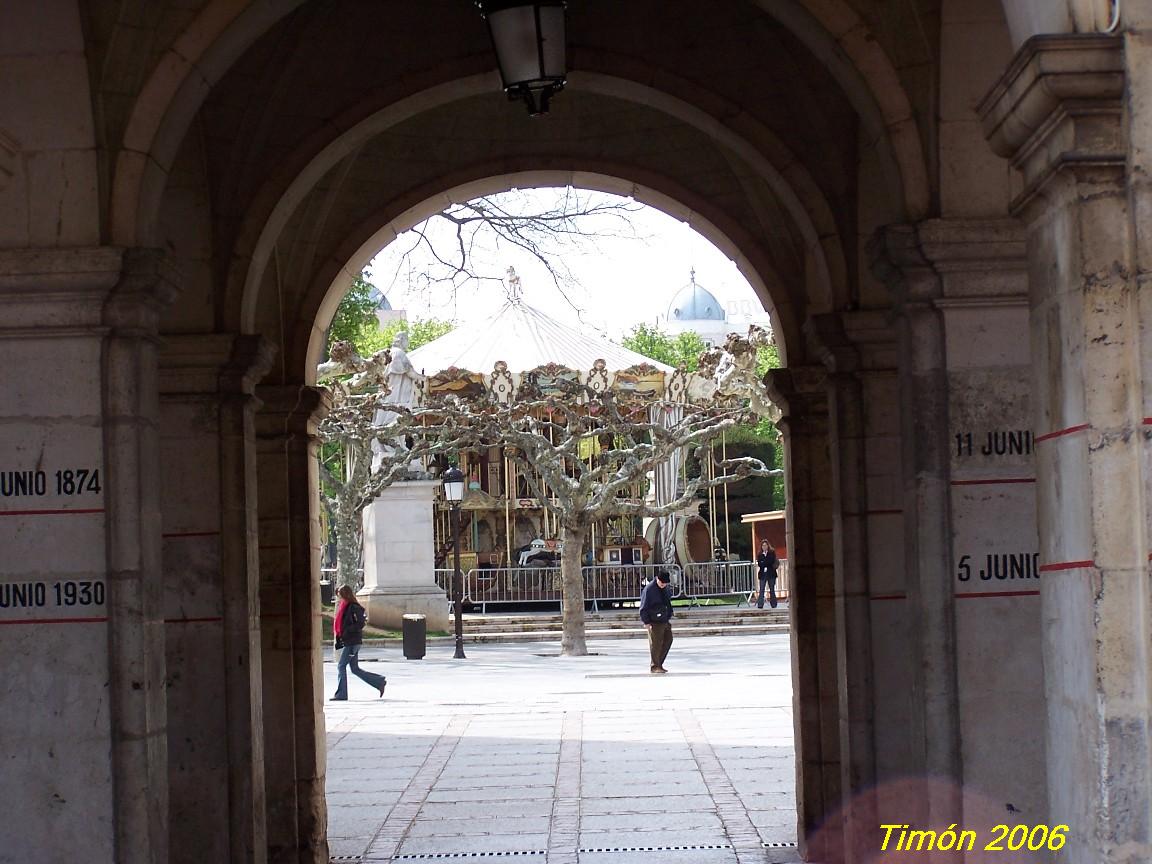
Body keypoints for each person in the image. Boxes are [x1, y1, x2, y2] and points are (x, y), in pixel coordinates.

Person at [331, 585, 387, 701]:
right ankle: (379, 682)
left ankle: (341, 694)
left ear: (345, 595)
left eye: (340, 595)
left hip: (352, 643)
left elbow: (360, 623)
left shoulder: (353, 607)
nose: (339, 598)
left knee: (341, 666)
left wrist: (347, 631)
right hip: (349, 641)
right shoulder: (345, 607)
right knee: (355, 669)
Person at [639, 570, 675, 673]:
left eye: (665, 583)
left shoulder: (665, 588)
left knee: (668, 639)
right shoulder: (649, 590)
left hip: (664, 618)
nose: (663, 585)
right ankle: (655, 666)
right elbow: (643, 607)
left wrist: (670, 613)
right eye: (662, 583)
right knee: (656, 643)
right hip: (654, 620)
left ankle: (659, 663)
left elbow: (668, 600)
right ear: (657, 579)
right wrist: (646, 622)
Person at [756, 540, 779, 608]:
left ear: (768, 546)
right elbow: (760, 564)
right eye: (763, 545)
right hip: (763, 574)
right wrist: (764, 562)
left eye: (765, 545)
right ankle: (760, 604)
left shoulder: (772, 553)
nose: (764, 547)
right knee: (762, 589)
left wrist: (764, 562)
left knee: (772, 589)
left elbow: (771, 561)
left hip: (771, 573)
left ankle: (773, 604)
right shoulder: (760, 554)